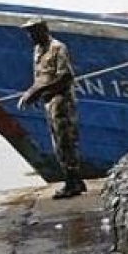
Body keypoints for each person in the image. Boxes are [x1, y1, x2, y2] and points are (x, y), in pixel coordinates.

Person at [17, 18, 86, 199]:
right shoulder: (38, 50)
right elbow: (41, 78)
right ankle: (75, 180)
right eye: (29, 33)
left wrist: (38, 91)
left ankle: (72, 183)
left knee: (66, 142)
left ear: (43, 30)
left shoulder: (57, 48)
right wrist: (34, 92)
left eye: (33, 32)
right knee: (57, 143)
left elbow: (65, 77)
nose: (30, 36)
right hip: (49, 102)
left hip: (62, 101)